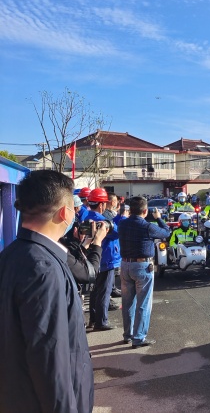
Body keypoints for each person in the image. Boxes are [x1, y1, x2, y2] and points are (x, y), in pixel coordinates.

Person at [0, 170, 94, 412]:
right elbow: (50, 357)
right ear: (64, 213)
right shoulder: (43, 267)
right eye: (73, 208)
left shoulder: (11, 255)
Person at [118, 196, 170, 348]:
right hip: (142, 266)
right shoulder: (147, 226)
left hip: (125, 265)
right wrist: (159, 218)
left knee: (127, 303)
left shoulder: (122, 224)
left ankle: (127, 334)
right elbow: (166, 233)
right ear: (145, 211)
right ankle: (139, 337)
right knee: (143, 304)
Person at [87, 187, 121, 331]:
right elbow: (117, 233)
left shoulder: (85, 216)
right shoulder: (102, 221)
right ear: (102, 204)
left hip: (92, 259)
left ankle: (94, 319)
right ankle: (101, 321)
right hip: (105, 259)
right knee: (104, 292)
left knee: (94, 292)